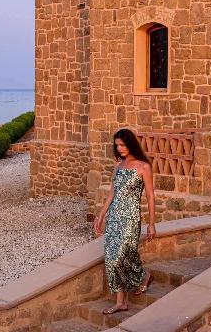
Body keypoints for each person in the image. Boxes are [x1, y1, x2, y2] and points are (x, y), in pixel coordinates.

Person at [93, 128, 156, 315]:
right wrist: (101, 216)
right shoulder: (119, 165)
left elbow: (150, 196)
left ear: (130, 144)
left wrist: (152, 224)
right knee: (111, 260)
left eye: (122, 145)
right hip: (114, 217)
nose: (119, 148)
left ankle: (143, 275)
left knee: (121, 256)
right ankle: (120, 302)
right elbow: (112, 193)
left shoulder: (143, 167)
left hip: (130, 219)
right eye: (117, 145)